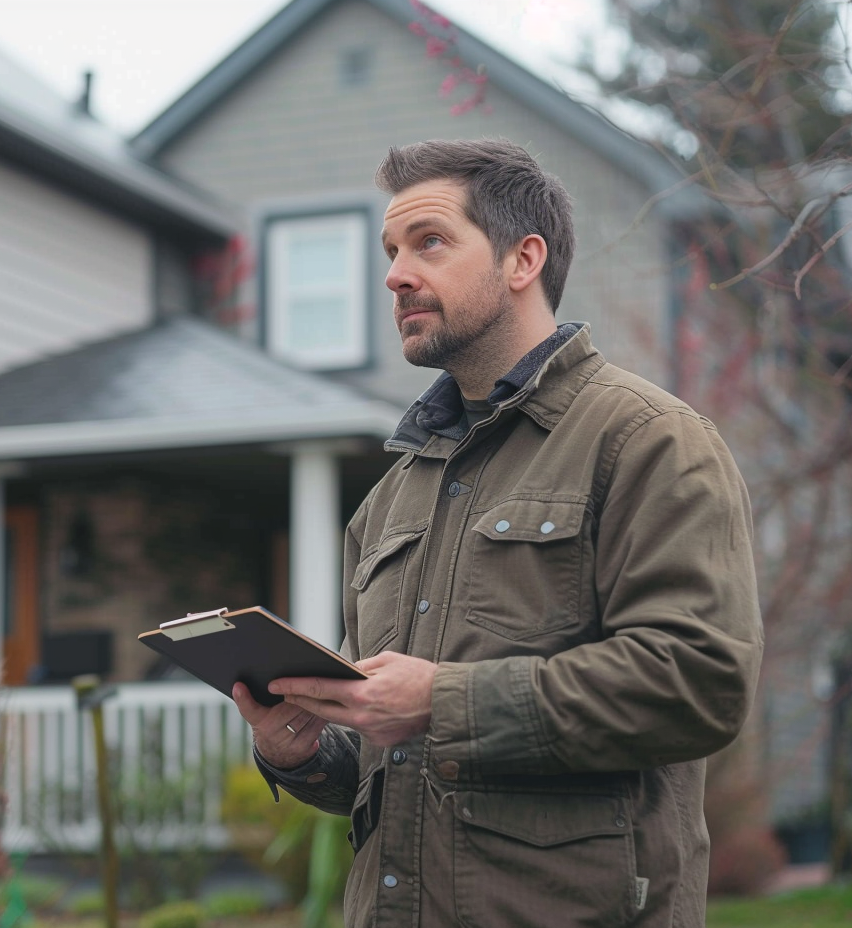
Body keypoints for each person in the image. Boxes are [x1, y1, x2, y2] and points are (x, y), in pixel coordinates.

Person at [231, 139, 763, 927]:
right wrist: (303, 752)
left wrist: (441, 699)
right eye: (389, 252)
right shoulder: (387, 502)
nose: (394, 274)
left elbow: (698, 685)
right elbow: (398, 771)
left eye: (430, 242)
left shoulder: (648, 440)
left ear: (523, 260)